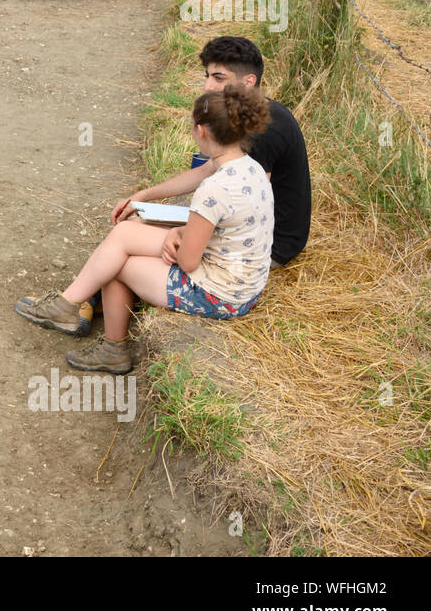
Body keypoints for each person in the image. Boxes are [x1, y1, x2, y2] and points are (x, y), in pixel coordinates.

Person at [15, 86, 274, 374]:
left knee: (119, 263)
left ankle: (110, 345)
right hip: (244, 282)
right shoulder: (251, 168)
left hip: (220, 295)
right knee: (126, 234)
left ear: (201, 131)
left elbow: (189, 262)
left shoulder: (213, 190)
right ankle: (69, 305)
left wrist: (178, 235)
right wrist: (175, 228)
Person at [113, 35, 311, 269]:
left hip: (265, 246)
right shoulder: (250, 116)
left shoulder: (265, 131)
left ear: (248, 81)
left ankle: (92, 299)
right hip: (242, 230)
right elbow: (209, 169)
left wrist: (182, 231)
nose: (208, 86)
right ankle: (96, 299)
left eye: (219, 78)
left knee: (134, 237)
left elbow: (248, 209)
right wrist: (144, 196)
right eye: (207, 76)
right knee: (137, 225)